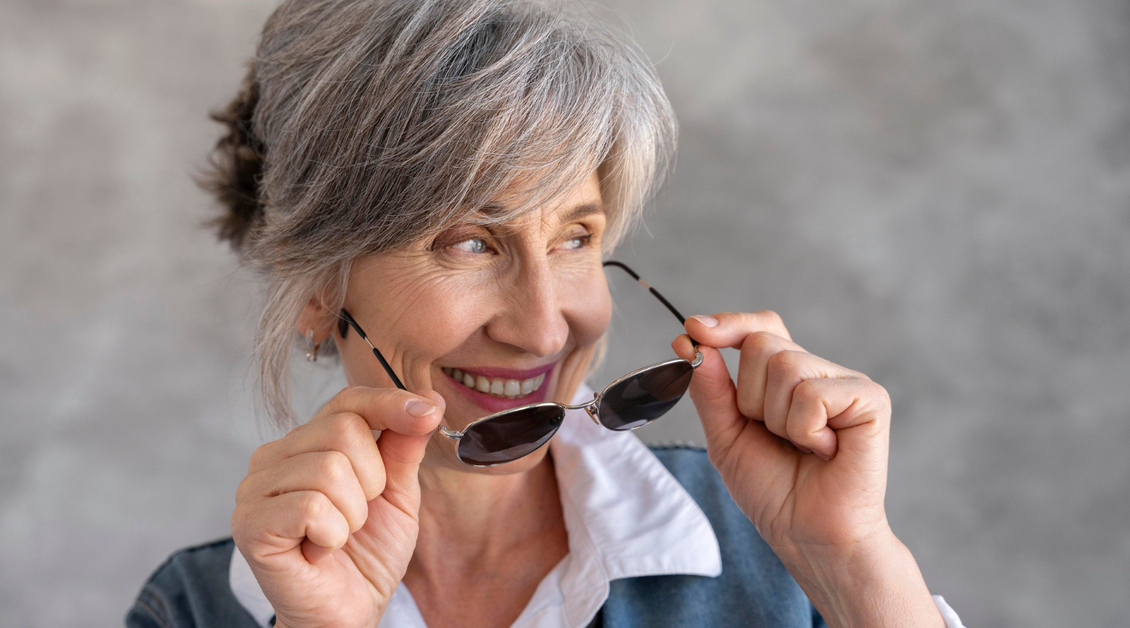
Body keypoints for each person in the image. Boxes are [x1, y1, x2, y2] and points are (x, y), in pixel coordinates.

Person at [126, 0, 967, 627]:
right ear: (317, 289)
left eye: (575, 237)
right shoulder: (194, 608)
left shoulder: (780, 552)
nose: (543, 329)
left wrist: (850, 567)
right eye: (467, 242)